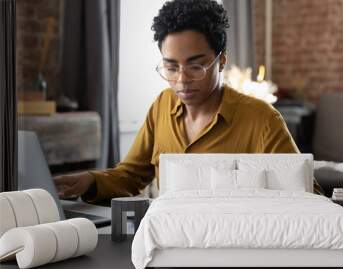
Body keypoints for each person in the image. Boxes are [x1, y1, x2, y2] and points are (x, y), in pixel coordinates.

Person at [54, 0, 323, 203]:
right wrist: (89, 181)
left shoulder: (262, 120)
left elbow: (310, 195)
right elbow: (131, 176)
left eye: (196, 67)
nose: (182, 80)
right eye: (171, 67)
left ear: (222, 60)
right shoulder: (161, 106)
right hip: (171, 243)